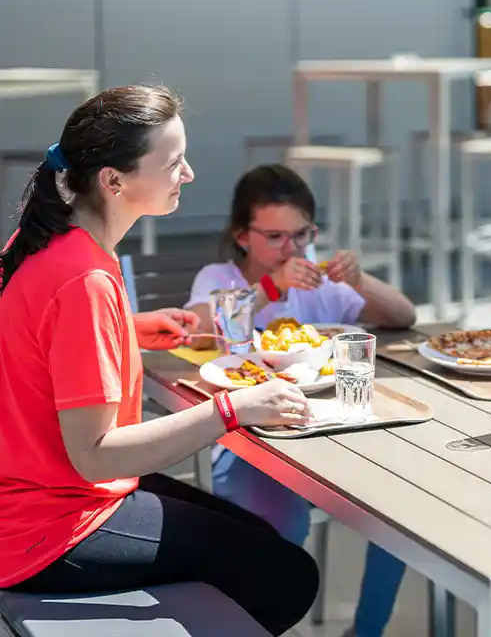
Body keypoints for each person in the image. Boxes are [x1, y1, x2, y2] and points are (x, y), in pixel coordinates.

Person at [0, 86, 319, 636]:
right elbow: (95, 456)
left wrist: (126, 330)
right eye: (173, 163)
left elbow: (32, 344)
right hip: (47, 529)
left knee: (266, 546)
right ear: (113, 181)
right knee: (286, 577)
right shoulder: (86, 279)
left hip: (33, 502)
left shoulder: (43, 241)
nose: (188, 174)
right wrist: (232, 409)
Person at [185, 164, 416, 637]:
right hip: (250, 445)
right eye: (275, 237)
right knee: (280, 528)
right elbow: (199, 328)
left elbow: (404, 316)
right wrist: (272, 287)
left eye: (302, 235)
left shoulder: (321, 284)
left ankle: (366, 632)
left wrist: (360, 281)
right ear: (242, 236)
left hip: (336, 432)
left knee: (402, 510)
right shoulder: (220, 277)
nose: (291, 250)